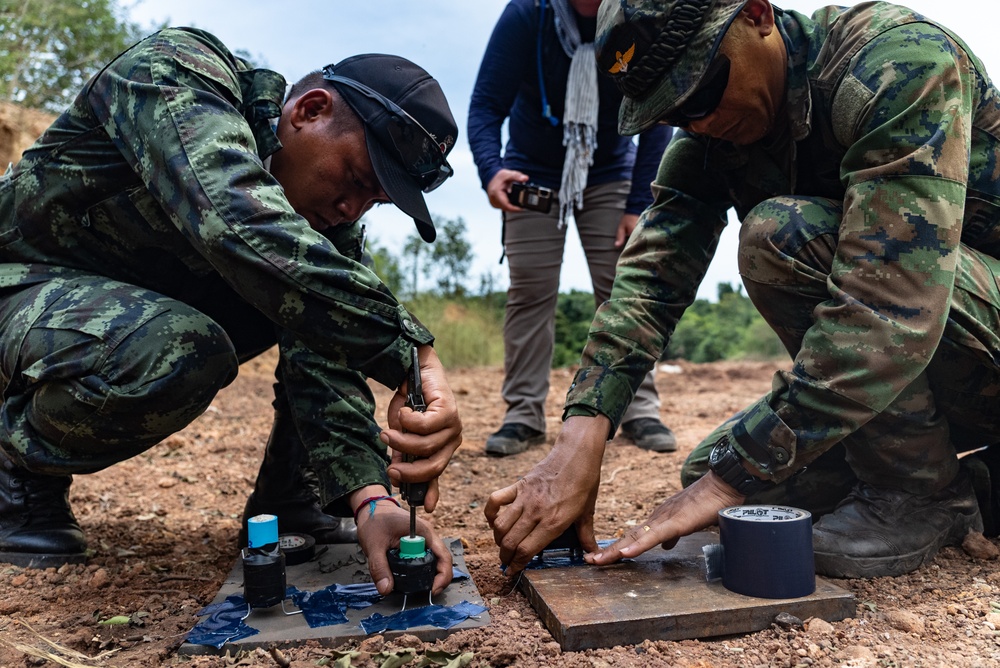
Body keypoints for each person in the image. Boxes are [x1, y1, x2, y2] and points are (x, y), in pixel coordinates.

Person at [485, 0, 1000, 579]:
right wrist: (583, 432)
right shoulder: (717, 130)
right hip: (939, 353)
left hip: (952, 329)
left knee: (781, 234)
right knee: (712, 469)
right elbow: (652, 273)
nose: (698, 122)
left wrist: (737, 475)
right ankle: (976, 482)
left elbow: (891, 303)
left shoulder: (895, 61)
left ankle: (920, 493)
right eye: (673, 113)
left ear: (756, 14)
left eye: (701, 92)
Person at [0, 27, 465, 597]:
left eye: (374, 202)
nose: (352, 208)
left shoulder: (322, 225)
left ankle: (294, 498)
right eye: (356, 180)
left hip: (109, 317)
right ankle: (16, 472)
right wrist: (411, 352)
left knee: (313, 305)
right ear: (309, 110)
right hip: (20, 284)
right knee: (184, 344)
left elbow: (327, 355)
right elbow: (237, 221)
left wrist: (370, 497)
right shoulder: (176, 70)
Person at [468, 0, 675, 456]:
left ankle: (640, 409)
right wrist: (491, 170)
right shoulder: (526, 15)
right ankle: (522, 415)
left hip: (610, 173)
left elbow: (657, 115)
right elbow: (485, 105)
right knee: (530, 291)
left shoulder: (636, 18)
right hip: (531, 173)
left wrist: (639, 201)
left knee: (625, 291)